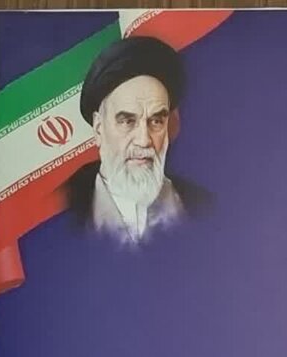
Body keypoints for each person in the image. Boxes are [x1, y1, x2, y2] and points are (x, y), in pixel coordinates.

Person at [64, 35, 209, 244]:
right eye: (127, 121)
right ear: (99, 129)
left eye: (156, 121)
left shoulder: (202, 207)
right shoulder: (63, 215)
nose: (144, 140)